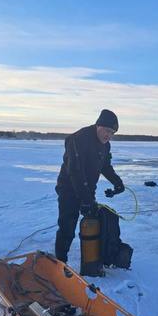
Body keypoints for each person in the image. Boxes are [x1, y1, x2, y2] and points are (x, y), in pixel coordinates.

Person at [54, 109, 125, 262]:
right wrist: (86, 200)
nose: (109, 135)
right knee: (67, 226)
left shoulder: (105, 146)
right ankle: (60, 262)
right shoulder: (79, 139)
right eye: (107, 130)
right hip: (69, 189)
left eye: (112, 133)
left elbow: (105, 167)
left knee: (94, 221)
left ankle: (93, 258)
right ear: (98, 125)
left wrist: (118, 182)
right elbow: (75, 171)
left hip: (87, 189)